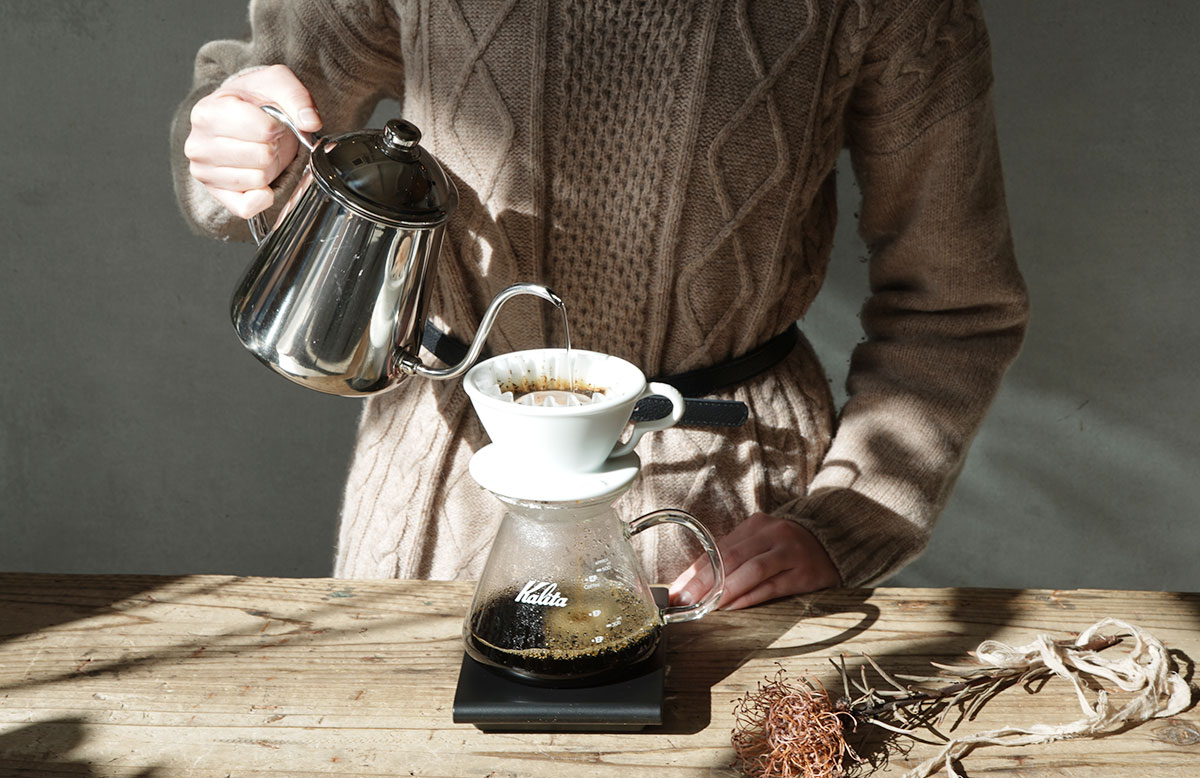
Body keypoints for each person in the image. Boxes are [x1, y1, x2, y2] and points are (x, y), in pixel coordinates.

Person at [171, 0, 1028, 609]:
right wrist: (241, 143)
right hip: (447, 498)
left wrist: (850, 517)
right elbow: (258, 101)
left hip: (734, 525)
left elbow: (955, 304)